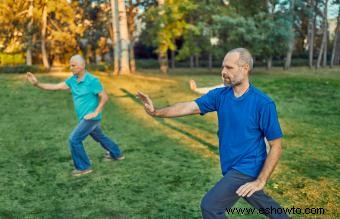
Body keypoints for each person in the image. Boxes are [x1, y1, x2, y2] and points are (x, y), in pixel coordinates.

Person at [137, 48, 288, 218]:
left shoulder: (263, 103)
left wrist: (261, 180)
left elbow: (276, 146)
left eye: (229, 68)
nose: (223, 72)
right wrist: (156, 112)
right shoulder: (220, 95)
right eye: (223, 67)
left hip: (248, 166)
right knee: (261, 201)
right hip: (231, 165)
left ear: (245, 68)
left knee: (211, 207)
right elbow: (189, 106)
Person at [26, 55, 124, 177]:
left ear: (82, 66)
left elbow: (104, 97)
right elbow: (55, 87)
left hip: (90, 118)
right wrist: (37, 84)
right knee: (100, 137)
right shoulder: (72, 80)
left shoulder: (92, 80)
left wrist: (96, 112)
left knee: (74, 139)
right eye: (70, 65)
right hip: (85, 118)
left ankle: (84, 167)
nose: (70, 67)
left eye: (73, 65)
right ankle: (117, 153)